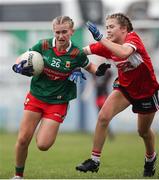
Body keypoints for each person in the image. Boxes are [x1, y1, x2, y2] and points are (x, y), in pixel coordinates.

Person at [11, 16, 110, 179]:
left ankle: (44, 127)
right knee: (23, 139)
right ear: (53, 32)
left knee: (43, 145)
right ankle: (18, 176)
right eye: (57, 32)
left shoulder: (77, 53)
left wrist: (98, 71)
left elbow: (89, 66)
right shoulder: (43, 45)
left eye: (64, 32)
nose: (60, 36)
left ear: (71, 32)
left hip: (58, 102)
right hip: (36, 97)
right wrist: (18, 67)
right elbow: (23, 58)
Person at [76, 13, 159, 177]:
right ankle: (94, 160)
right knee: (103, 117)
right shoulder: (107, 44)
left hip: (146, 91)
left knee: (143, 132)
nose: (107, 30)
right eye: (106, 27)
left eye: (111, 27)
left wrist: (101, 38)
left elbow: (123, 53)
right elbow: (81, 52)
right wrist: (63, 57)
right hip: (125, 89)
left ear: (124, 29)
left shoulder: (132, 38)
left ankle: (150, 158)